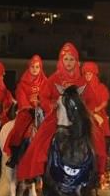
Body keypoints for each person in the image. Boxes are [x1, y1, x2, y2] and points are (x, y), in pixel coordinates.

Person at [17, 43, 104, 183]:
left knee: (97, 136)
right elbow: (44, 97)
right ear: (61, 61)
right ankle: (40, 168)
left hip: (78, 118)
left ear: (76, 61)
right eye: (66, 59)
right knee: (41, 138)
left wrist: (86, 111)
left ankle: (96, 170)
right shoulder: (54, 79)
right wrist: (52, 106)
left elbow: (91, 100)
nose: (68, 62)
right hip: (58, 117)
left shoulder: (82, 80)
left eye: (71, 59)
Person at [5, 55, 47, 163]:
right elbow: (21, 97)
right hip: (27, 112)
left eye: (37, 67)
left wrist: (43, 105)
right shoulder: (22, 84)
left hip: (42, 112)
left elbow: (48, 96)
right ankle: (15, 155)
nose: (35, 69)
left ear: (40, 68)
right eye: (32, 67)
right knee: (20, 129)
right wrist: (28, 107)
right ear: (29, 68)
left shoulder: (45, 82)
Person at [82, 62, 110, 182]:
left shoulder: (101, 87)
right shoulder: (82, 87)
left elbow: (104, 102)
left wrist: (95, 110)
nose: (88, 76)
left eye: (90, 74)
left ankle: (100, 171)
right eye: (86, 74)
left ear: (94, 74)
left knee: (99, 142)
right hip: (85, 114)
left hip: (97, 116)